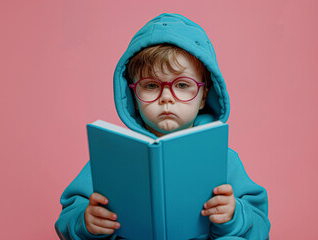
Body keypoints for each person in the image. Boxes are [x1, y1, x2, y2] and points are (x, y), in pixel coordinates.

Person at [55, 13, 271, 240]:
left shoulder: (223, 159)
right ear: (133, 96)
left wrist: (235, 215)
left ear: (204, 96)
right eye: (150, 85)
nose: (166, 97)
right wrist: (85, 222)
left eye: (182, 84)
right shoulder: (111, 158)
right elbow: (66, 220)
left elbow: (261, 228)